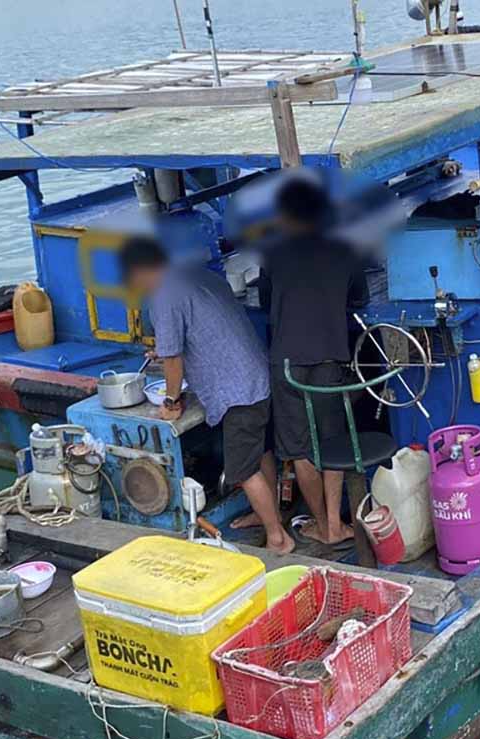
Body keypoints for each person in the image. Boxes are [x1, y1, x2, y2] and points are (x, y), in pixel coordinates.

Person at [120, 236, 293, 554]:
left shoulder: (163, 295)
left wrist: (171, 401)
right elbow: (200, 329)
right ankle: (268, 514)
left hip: (236, 389)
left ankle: (279, 538)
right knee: (261, 451)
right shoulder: (196, 274)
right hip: (256, 374)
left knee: (242, 468)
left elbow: (173, 359)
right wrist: (166, 352)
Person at [234, 176, 368, 547]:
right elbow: (359, 297)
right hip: (330, 354)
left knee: (299, 448)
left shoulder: (274, 249)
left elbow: (263, 301)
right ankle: (335, 525)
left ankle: (322, 525)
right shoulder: (345, 247)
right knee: (332, 440)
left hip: (288, 361)